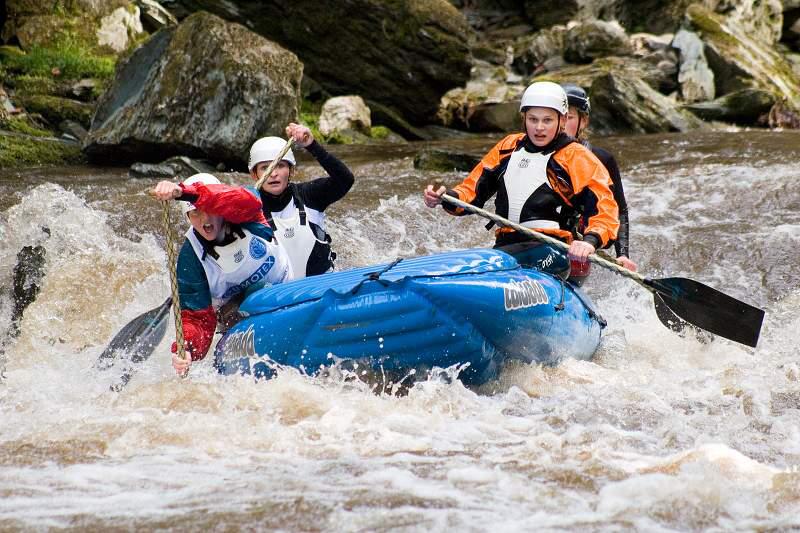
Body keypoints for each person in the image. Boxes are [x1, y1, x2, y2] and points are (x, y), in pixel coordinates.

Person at [423, 81, 619, 285]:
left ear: (561, 121)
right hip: (506, 248)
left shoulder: (576, 156)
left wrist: (589, 242)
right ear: (524, 118)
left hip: (554, 252)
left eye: (547, 120)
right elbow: (470, 193)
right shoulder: (507, 147)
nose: (539, 127)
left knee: (543, 261)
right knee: (479, 266)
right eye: (533, 119)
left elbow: (604, 207)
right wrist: (445, 198)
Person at [152, 173, 293, 375]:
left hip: (285, 294)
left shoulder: (246, 211)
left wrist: (185, 193)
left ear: (220, 208)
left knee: (259, 293)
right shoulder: (190, 258)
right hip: (235, 318)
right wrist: (187, 348)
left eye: (209, 210)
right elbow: (197, 319)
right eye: (196, 214)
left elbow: (240, 198)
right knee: (252, 298)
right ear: (188, 218)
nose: (205, 219)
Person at [248, 123, 355, 279]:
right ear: (255, 175)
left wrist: (312, 146)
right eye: (265, 168)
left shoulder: (309, 195)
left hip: (322, 286)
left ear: (291, 170)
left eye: (280, 165)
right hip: (277, 294)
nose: (273, 174)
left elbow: (345, 180)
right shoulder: (248, 209)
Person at [562, 83, 637, 271]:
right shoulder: (533, 155)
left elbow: (619, 210)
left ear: (583, 121)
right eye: (556, 117)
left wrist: (622, 255)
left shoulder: (602, 159)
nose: (562, 124)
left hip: (584, 241)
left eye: (569, 117)